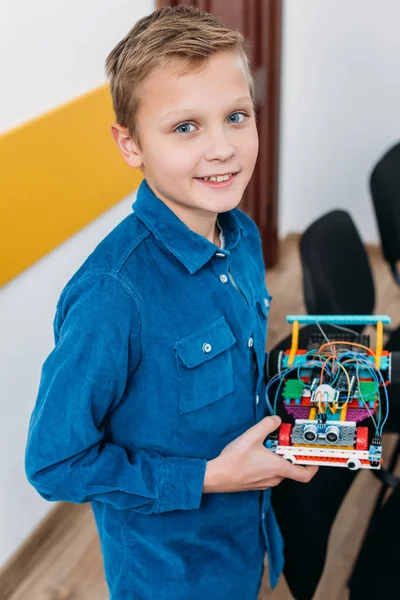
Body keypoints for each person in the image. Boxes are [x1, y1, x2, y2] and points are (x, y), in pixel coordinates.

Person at [25, 6, 318, 599]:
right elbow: (54, 462)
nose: (223, 149)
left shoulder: (240, 235)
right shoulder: (113, 295)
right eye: (185, 127)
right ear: (129, 144)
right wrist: (212, 477)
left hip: (247, 540)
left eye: (236, 116)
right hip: (170, 574)